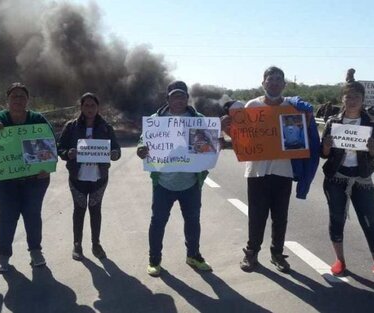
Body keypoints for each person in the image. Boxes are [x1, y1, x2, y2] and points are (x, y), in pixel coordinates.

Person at [226, 67, 315, 273]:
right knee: (256, 216)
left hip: (283, 171)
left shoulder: (292, 108)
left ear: (284, 84)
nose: (274, 83)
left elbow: (301, 138)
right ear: (263, 83)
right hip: (256, 171)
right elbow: (243, 138)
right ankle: (251, 253)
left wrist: (307, 122)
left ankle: (277, 254)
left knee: (280, 216)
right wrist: (227, 128)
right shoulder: (252, 105)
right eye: (270, 79)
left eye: (278, 79)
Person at [137, 81, 212, 277]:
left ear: (187, 98)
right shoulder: (156, 120)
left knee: (193, 221)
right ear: (167, 99)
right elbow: (143, 140)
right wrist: (141, 149)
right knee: (158, 222)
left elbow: (209, 144)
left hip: (191, 182)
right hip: (163, 182)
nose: (178, 100)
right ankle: (154, 260)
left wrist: (215, 144)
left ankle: (193, 255)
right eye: (174, 96)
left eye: (182, 96)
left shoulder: (198, 119)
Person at [0, 83, 52, 273]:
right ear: (7, 100)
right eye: (14, 96)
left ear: (27, 100)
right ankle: (3, 255)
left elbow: (51, 144)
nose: (18, 99)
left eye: (22, 96)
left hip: (35, 180)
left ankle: (35, 251)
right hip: (4, 181)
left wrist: (47, 167)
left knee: (33, 216)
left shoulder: (37, 119)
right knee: (8, 217)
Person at [320, 69, 374, 276]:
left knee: (370, 221)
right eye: (348, 96)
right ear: (342, 99)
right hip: (336, 178)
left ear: (362, 99)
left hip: (362, 179)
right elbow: (323, 155)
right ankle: (340, 261)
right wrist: (326, 146)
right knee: (336, 219)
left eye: (356, 97)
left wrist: (372, 149)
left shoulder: (371, 123)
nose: (352, 100)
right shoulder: (334, 122)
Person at [58, 92, 121, 261]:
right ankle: (77, 244)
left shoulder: (106, 127)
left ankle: (96, 243)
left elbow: (116, 150)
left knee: (95, 210)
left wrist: (114, 154)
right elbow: (60, 148)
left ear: (98, 107)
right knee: (79, 210)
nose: (90, 108)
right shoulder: (71, 127)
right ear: (81, 107)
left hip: (99, 178)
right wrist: (67, 153)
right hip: (77, 177)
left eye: (93, 105)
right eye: (86, 105)